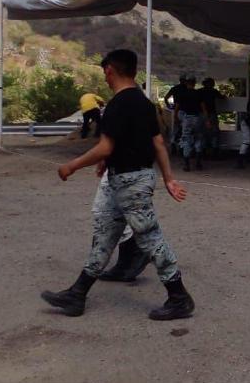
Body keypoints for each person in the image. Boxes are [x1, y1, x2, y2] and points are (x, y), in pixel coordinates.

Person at [41, 49, 194, 321]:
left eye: (105, 72)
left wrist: (72, 165)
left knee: (150, 237)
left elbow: (105, 146)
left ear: (110, 70)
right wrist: (168, 178)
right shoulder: (144, 104)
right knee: (106, 234)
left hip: (130, 182)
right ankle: (77, 294)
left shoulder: (117, 104)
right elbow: (157, 143)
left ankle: (179, 297)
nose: (105, 77)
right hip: (131, 177)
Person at [175, 75, 207, 171]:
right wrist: (207, 119)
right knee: (198, 139)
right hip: (197, 118)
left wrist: (175, 117)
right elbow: (203, 107)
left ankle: (187, 164)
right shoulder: (198, 93)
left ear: (186, 83)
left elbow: (177, 107)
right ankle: (198, 163)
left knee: (186, 140)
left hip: (186, 119)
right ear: (194, 83)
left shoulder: (182, 93)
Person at [199, 77, 223, 158]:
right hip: (212, 114)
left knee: (203, 132)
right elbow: (222, 97)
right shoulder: (213, 91)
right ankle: (214, 151)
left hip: (201, 114)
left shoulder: (200, 91)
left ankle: (203, 151)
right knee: (215, 132)